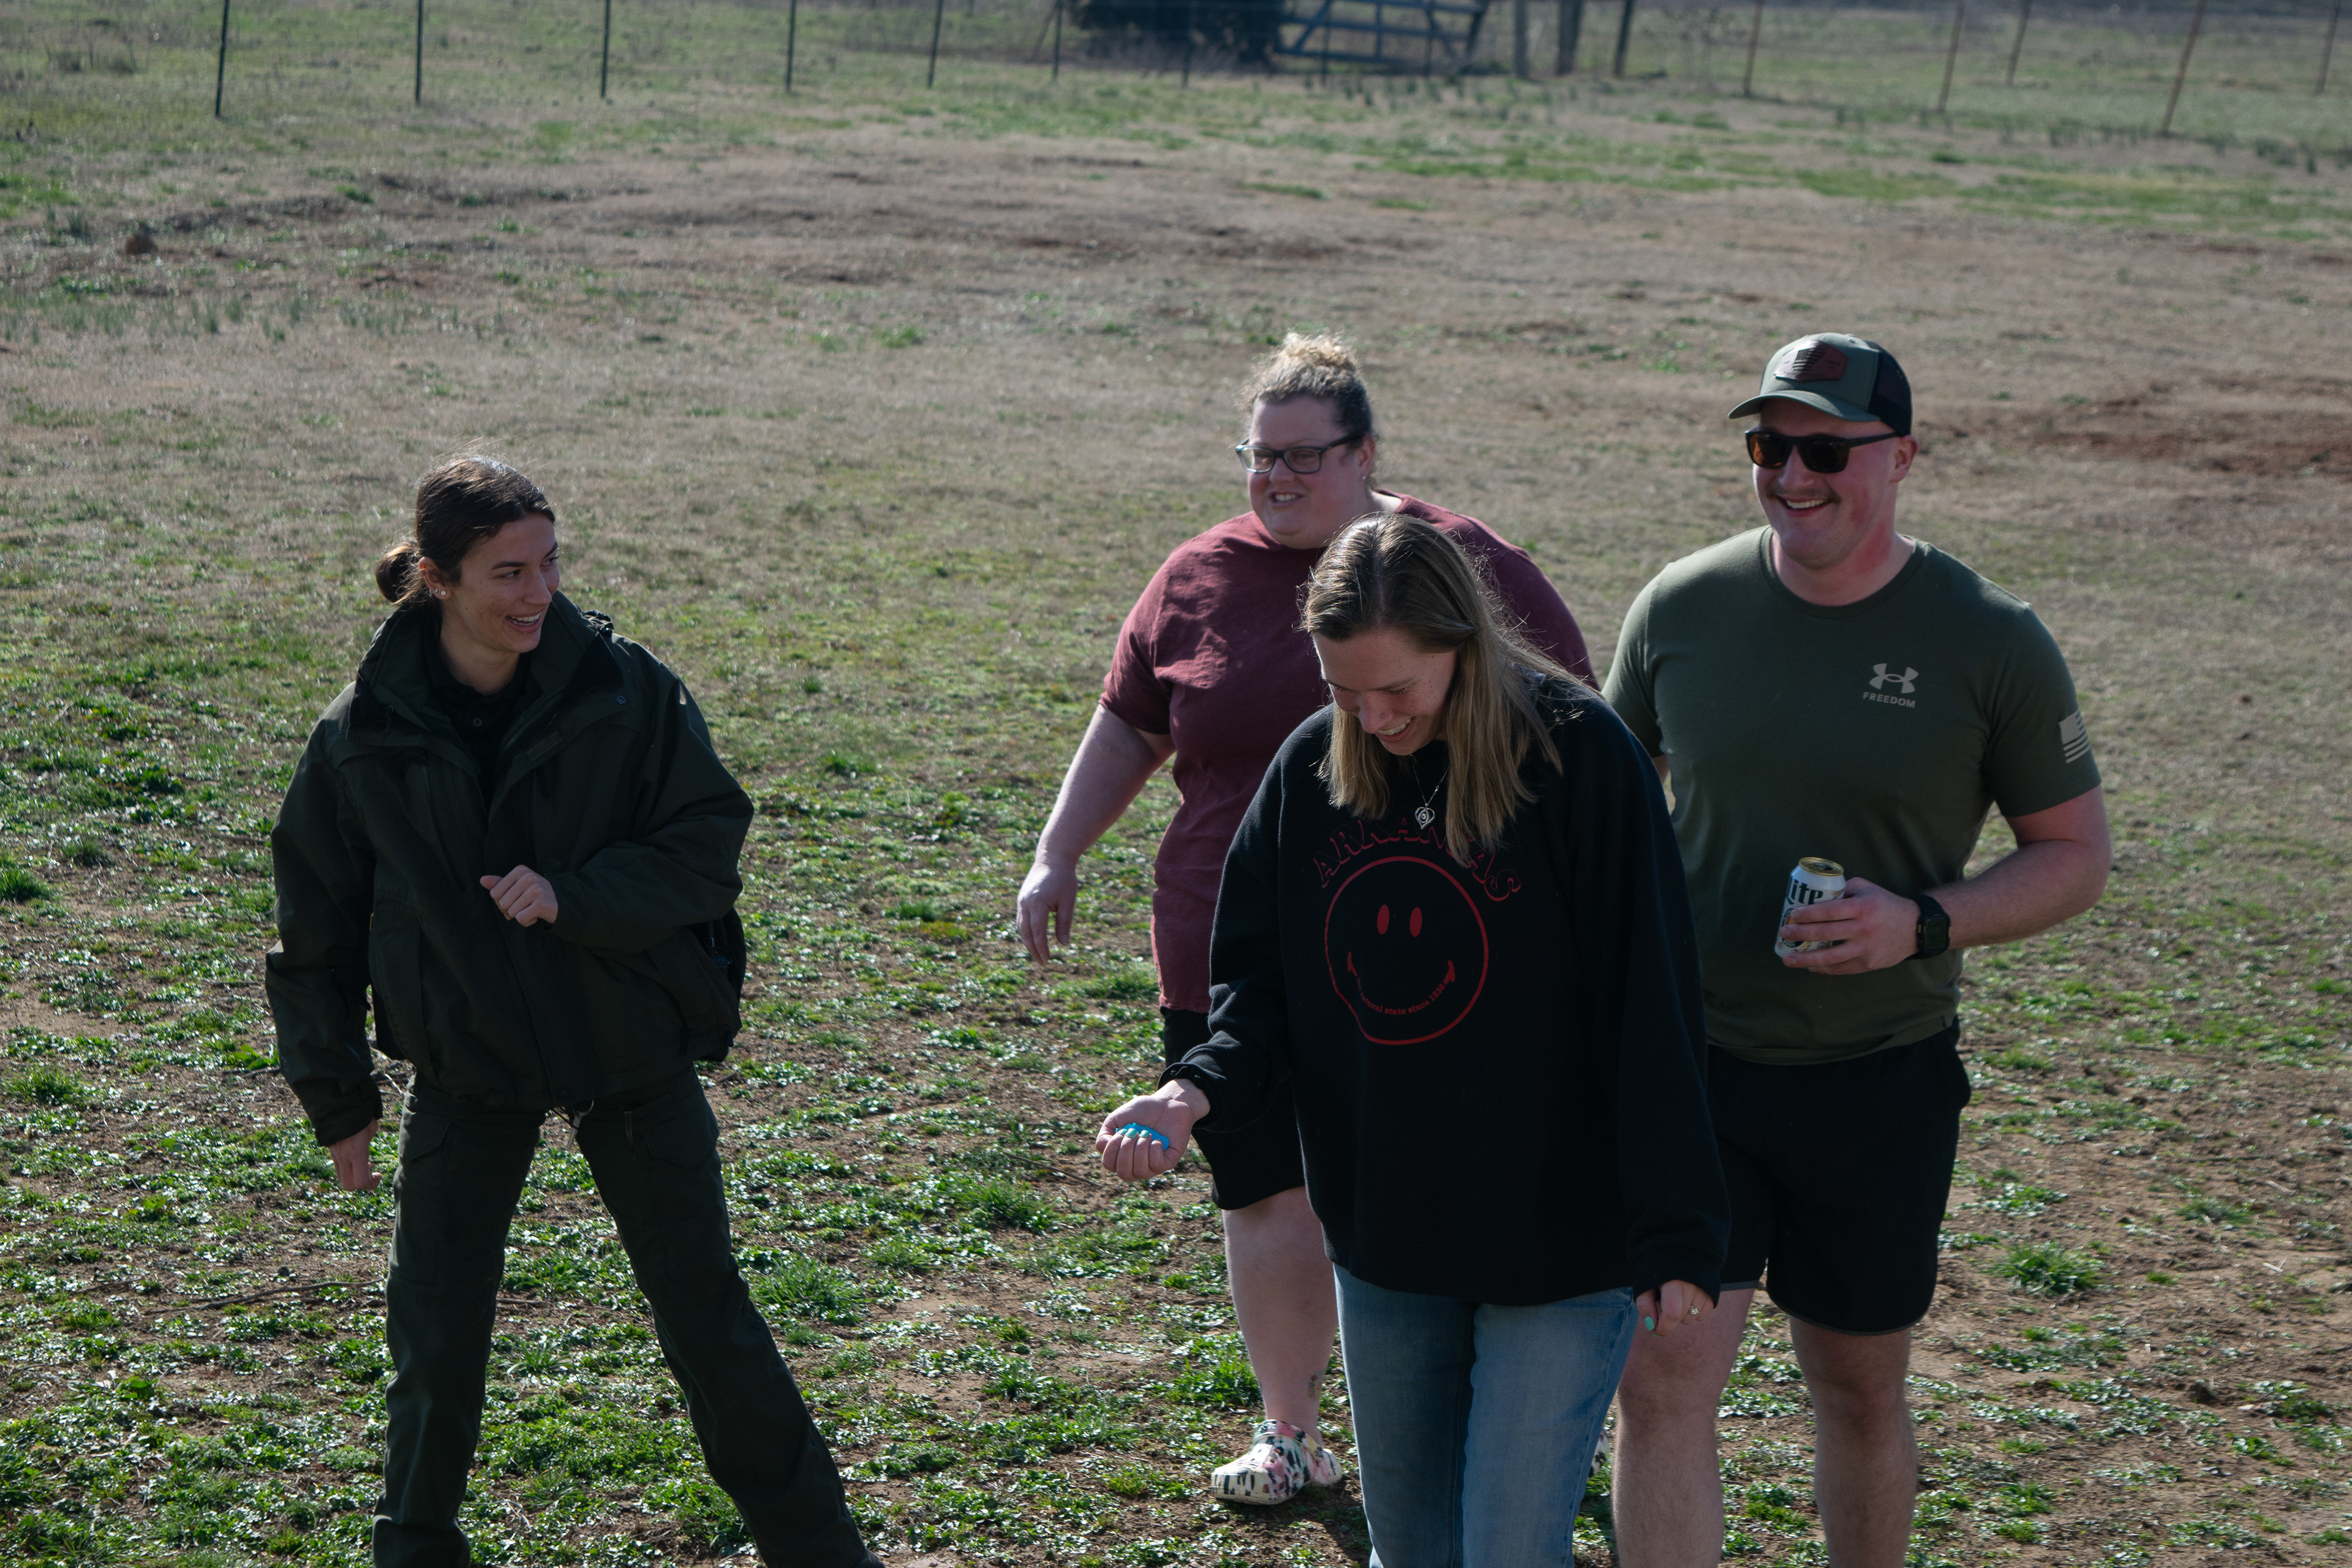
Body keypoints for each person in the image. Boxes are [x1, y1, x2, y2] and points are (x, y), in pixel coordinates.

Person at [266, 456, 880, 1568]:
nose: (540, 592)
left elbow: (707, 847)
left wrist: (574, 896)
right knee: (434, 1334)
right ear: (438, 578)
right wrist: (336, 1090)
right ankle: (414, 1552)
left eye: (549, 563)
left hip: (630, 1051)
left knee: (708, 1318)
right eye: (509, 572)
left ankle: (822, 1554)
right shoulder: (364, 734)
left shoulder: (624, 688)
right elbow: (316, 923)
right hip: (467, 1064)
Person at [1016, 334, 1595, 1504]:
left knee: (1420, 1189)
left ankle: (1457, 1428)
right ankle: (1291, 1433)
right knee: (1264, 1189)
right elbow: (1132, 721)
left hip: (1425, 957)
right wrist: (1057, 850)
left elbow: (1567, 721)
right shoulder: (1197, 575)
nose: (1273, 477)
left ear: (1365, 452)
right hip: (1230, 950)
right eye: (1257, 455)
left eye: (1300, 456)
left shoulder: (1460, 563)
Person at [1091, 514, 1727, 1566]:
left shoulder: (1578, 758)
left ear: (1463, 646)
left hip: (1557, 1238)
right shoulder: (1314, 770)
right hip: (1390, 1231)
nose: (1374, 718)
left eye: (1398, 690)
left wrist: (1678, 1227)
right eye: (1345, 691)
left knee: (1508, 1548)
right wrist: (1192, 1091)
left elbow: (1649, 999)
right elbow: (1261, 984)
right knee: (1412, 1550)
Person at [1602, 335, 2111, 1568]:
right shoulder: (1682, 605)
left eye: (1826, 450)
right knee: (1661, 1385)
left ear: (1902, 458)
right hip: (1697, 1070)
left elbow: (2074, 855)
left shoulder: (1989, 638)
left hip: (1880, 1079)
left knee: (1859, 1386)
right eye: (1769, 446)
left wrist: (1919, 921)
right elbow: (1604, 812)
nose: (1791, 475)